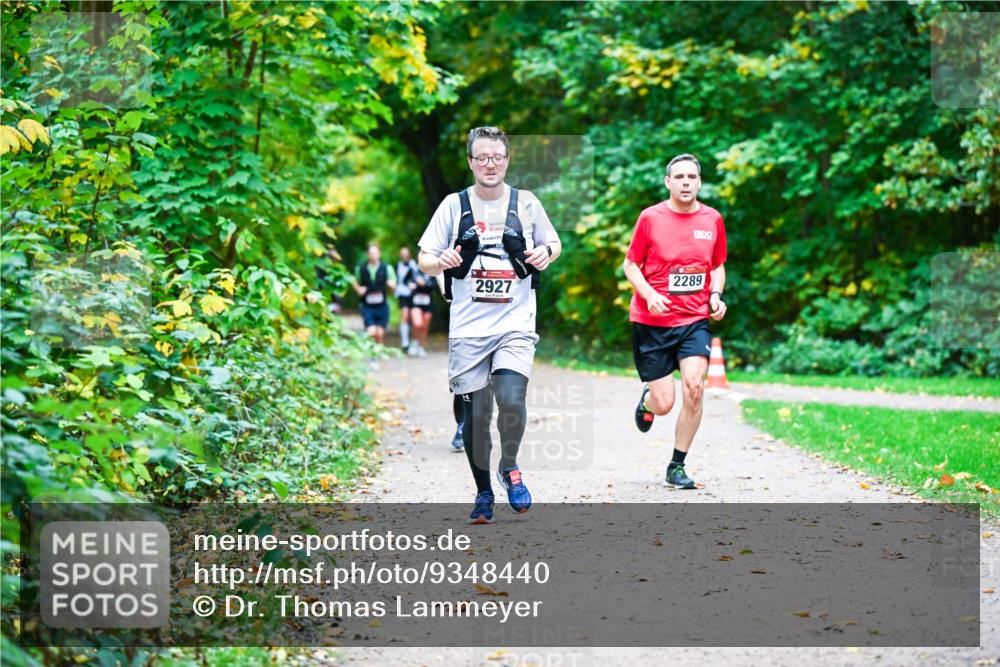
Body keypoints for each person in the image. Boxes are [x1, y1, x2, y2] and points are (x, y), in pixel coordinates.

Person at [418, 126, 561, 523]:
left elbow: (554, 243)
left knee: (512, 398)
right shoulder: (453, 205)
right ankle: (483, 492)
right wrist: (440, 261)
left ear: (507, 159)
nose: (490, 164)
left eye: (497, 157)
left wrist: (545, 253)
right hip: (468, 328)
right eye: (482, 157)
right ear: (471, 162)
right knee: (476, 418)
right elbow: (425, 258)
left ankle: (509, 467)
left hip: (515, 320)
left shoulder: (526, 203)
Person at [622, 153, 728, 490]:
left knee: (695, 388)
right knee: (665, 404)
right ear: (668, 182)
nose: (686, 182)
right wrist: (650, 294)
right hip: (652, 322)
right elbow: (630, 265)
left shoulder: (712, 219)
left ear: (699, 182)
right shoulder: (650, 218)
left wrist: (715, 295)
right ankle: (648, 401)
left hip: (694, 319)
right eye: (679, 177)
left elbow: (716, 266)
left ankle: (676, 465)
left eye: (691, 177)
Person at [353, 242, 396, 345]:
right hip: (367, 306)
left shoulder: (387, 268)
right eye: (371, 253)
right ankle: (373, 354)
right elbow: (354, 281)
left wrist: (391, 285)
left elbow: (394, 284)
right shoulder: (360, 268)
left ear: (379, 253)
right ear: (368, 254)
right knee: (371, 332)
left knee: (380, 333)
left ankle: (378, 351)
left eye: (375, 253)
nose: (373, 255)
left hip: (382, 305)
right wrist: (358, 289)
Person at [407, 267, 437, 357]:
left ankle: (421, 347)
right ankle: (414, 342)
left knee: (424, 326)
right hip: (415, 301)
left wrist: (425, 284)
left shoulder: (433, 272)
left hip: (427, 302)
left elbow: (435, 286)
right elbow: (406, 280)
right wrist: (411, 284)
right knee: (417, 324)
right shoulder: (413, 270)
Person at [395, 247, 419, 352]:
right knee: (405, 314)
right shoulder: (398, 266)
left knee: (414, 318)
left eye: (406, 253)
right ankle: (405, 342)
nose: (404, 256)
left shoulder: (414, 264)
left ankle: (414, 342)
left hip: (414, 294)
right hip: (402, 293)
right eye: (402, 254)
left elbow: (418, 277)